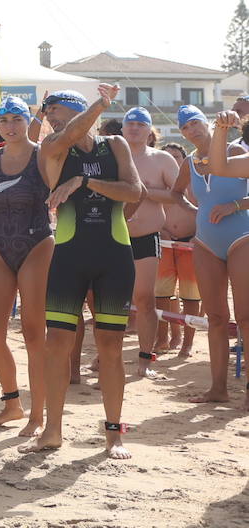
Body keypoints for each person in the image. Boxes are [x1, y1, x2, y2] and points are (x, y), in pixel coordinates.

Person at [22, 84, 141, 459]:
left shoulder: (115, 146)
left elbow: (134, 192)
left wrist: (86, 182)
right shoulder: (52, 149)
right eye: (47, 115)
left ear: (77, 110)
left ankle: (113, 433)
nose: (50, 121)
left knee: (110, 347)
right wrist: (101, 104)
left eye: (56, 112)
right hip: (70, 256)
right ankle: (53, 429)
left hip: (114, 254)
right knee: (57, 342)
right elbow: (73, 134)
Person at [0, 96, 54, 436]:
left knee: (33, 333)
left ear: (27, 120)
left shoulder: (43, 155)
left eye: (16, 119)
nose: (10, 126)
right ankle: (12, 403)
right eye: (4, 119)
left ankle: (39, 415)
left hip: (37, 243)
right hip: (0, 248)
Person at [187, 109, 249, 409]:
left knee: (246, 317)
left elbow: (221, 166)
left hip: (242, 237)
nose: (191, 130)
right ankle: (218, 388)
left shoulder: (237, 151)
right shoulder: (190, 161)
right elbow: (180, 192)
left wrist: (235, 205)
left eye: (194, 123)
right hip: (206, 241)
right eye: (185, 126)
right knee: (215, 318)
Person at [118, 107, 182, 380]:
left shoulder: (162, 159)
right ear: (122, 129)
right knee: (109, 300)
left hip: (146, 237)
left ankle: (145, 357)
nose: (134, 128)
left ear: (149, 131)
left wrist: (146, 193)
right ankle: (106, 354)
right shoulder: (111, 157)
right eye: (129, 123)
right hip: (113, 235)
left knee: (144, 298)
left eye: (140, 124)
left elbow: (177, 195)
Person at [155, 139, 199, 357]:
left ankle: (187, 343)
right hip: (163, 242)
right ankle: (163, 338)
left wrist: (197, 237)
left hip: (190, 243)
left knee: (191, 296)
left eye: (177, 157)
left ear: (184, 161)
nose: (172, 160)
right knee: (162, 294)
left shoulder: (195, 182)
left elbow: (204, 211)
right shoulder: (157, 182)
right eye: (168, 157)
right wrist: (161, 230)